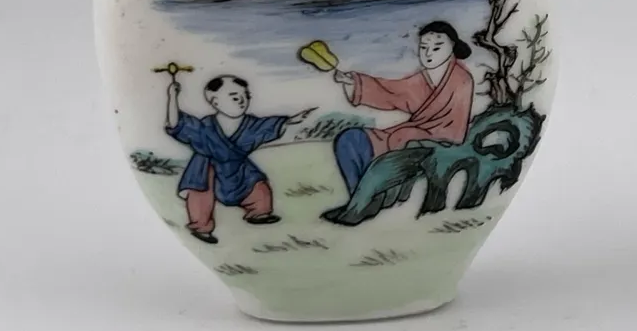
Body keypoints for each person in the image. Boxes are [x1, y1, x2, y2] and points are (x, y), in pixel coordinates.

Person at [165, 74, 313, 244]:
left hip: (238, 168)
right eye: (235, 97)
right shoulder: (205, 127)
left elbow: (267, 126)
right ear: (215, 102)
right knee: (199, 194)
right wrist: (172, 97)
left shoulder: (250, 124)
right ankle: (201, 227)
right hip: (206, 167)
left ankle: (259, 213)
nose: (242, 101)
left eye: (246, 96)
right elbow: (176, 124)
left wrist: (290, 121)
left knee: (258, 185)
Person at [331, 21, 476, 196]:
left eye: (437, 48)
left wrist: (415, 135)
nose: (428, 53)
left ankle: (374, 196)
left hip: (437, 141)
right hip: (406, 134)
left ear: (452, 47)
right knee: (351, 139)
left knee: (405, 140)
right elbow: (391, 92)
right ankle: (359, 196)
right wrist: (353, 82)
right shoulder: (419, 80)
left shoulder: (462, 80)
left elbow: (454, 130)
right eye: (423, 47)